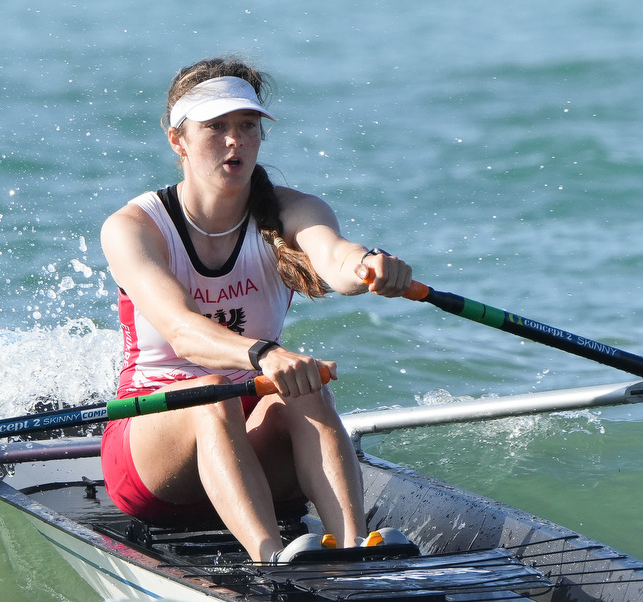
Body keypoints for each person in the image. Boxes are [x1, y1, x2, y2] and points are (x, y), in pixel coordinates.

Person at [99, 56, 412, 563]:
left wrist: (369, 266)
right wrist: (265, 353)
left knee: (307, 389)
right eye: (216, 127)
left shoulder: (294, 209)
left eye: (247, 126)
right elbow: (182, 332)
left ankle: (355, 550)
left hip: (253, 445)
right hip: (153, 458)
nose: (234, 141)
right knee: (210, 390)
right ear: (178, 141)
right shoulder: (133, 227)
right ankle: (271, 559)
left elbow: (333, 257)